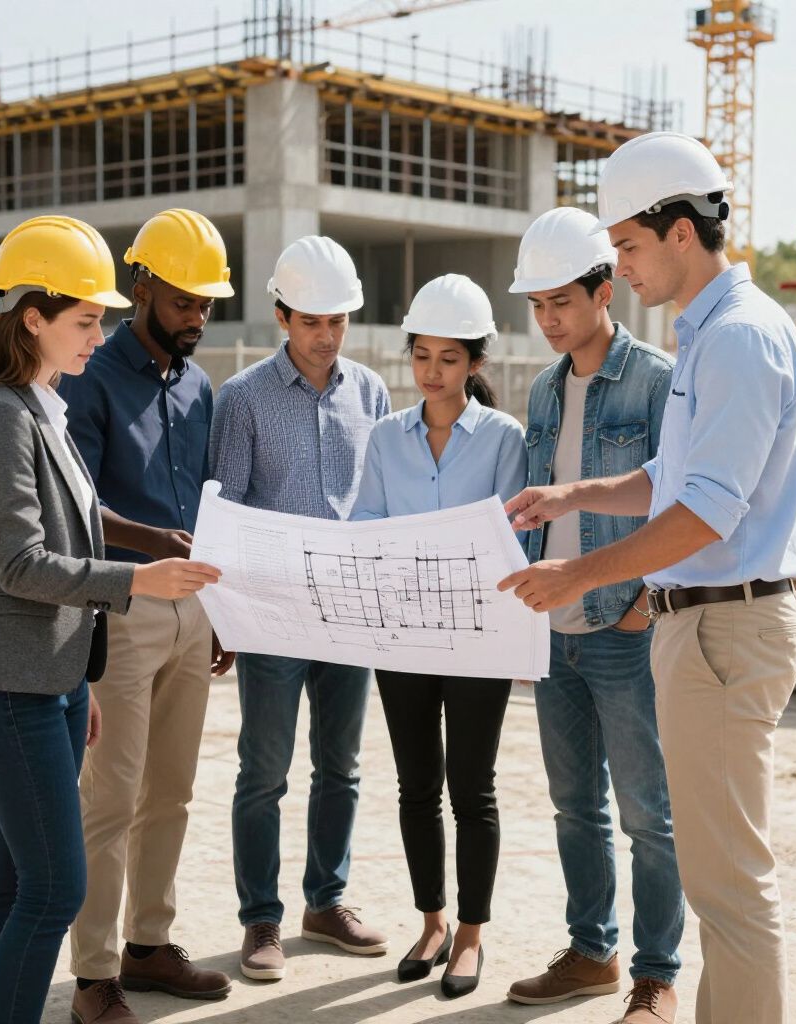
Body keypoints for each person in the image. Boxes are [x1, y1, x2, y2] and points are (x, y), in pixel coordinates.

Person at [500, 132, 796, 1024]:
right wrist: (578, 490)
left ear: (682, 230)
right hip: (708, 623)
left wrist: (577, 575)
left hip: (725, 625)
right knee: (723, 879)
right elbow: (667, 483)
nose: (623, 267)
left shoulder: (739, 341)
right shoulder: (713, 334)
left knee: (729, 887)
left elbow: (705, 513)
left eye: (629, 247)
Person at [0, 215, 220, 1024]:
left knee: (16, 878)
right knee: (56, 885)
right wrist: (139, 578)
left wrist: (81, 675)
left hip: (49, 677)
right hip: (7, 683)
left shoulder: (41, 406)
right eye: (86, 320)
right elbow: (21, 564)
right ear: (33, 318)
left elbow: (73, 524)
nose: (102, 333)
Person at [501, 208, 683, 1021]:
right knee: (576, 805)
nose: (547, 321)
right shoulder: (542, 388)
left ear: (605, 291)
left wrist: (643, 603)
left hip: (623, 625)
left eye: (561, 304)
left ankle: (656, 973)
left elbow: (678, 501)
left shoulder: (655, 378)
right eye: (537, 306)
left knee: (650, 813)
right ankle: (591, 952)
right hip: (557, 633)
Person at [59, 209, 234, 1023]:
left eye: (206, 304)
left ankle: (149, 945)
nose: (197, 317)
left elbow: (208, 503)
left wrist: (219, 612)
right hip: (123, 609)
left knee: (173, 791)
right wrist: (151, 542)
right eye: (183, 301)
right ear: (143, 288)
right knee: (112, 796)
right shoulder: (91, 376)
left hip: (191, 612)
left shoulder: (199, 387)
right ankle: (94, 973)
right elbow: (77, 501)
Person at [209, 235, 391, 982]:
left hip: (349, 615)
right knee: (264, 770)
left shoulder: (371, 393)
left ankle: (327, 900)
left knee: (340, 768)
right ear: (282, 314)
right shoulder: (243, 399)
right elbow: (226, 513)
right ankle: (261, 919)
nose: (326, 336)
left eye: (339, 321)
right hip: (273, 615)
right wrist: (226, 616)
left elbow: (378, 502)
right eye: (312, 320)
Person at [350, 274, 526, 999]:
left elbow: (514, 537)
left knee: (471, 787)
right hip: (404, 639)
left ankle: (473, 937)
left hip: (480, 637)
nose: (431, 372)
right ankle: (432, 922)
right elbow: (363, 526)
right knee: (416, 785)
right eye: (421, 355)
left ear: (475, 363)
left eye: (449, 358)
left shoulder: (504, 438)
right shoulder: (385, 437)